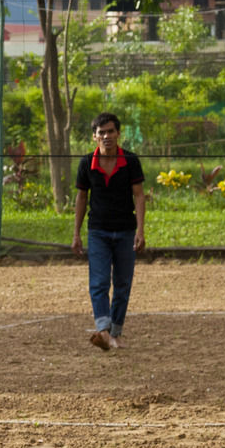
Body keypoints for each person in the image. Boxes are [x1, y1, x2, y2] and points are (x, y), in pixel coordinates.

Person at [70, 111, 145, 351]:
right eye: (101, 132)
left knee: (123, 284)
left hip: (125, 231)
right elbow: (81, 197)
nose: (106, 136)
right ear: (94, 137)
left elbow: (139, 196)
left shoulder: (131, 161)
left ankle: (115, 333)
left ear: (118, 134)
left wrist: (140, 230)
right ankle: (103, 330)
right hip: (98, 232)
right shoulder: (86, 163)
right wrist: (76, 233)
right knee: (99, 282)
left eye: (111, 131)